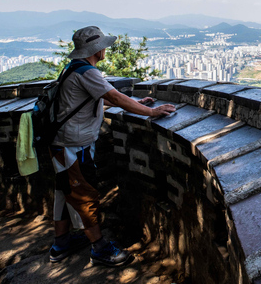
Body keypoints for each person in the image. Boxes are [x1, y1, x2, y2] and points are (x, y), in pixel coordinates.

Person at [48, 26, 176, 267]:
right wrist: (151, 111)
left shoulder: (72, 69)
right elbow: (115, 97)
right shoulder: (87, 71)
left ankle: (61, 244)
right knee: (85, 196)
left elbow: (94, 100)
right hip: (72, 147)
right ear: (96, 48)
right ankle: (100, 249)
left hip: (62, 144)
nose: (105, 48)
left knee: (65, 194)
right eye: (103, 45)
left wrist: (136, 103)